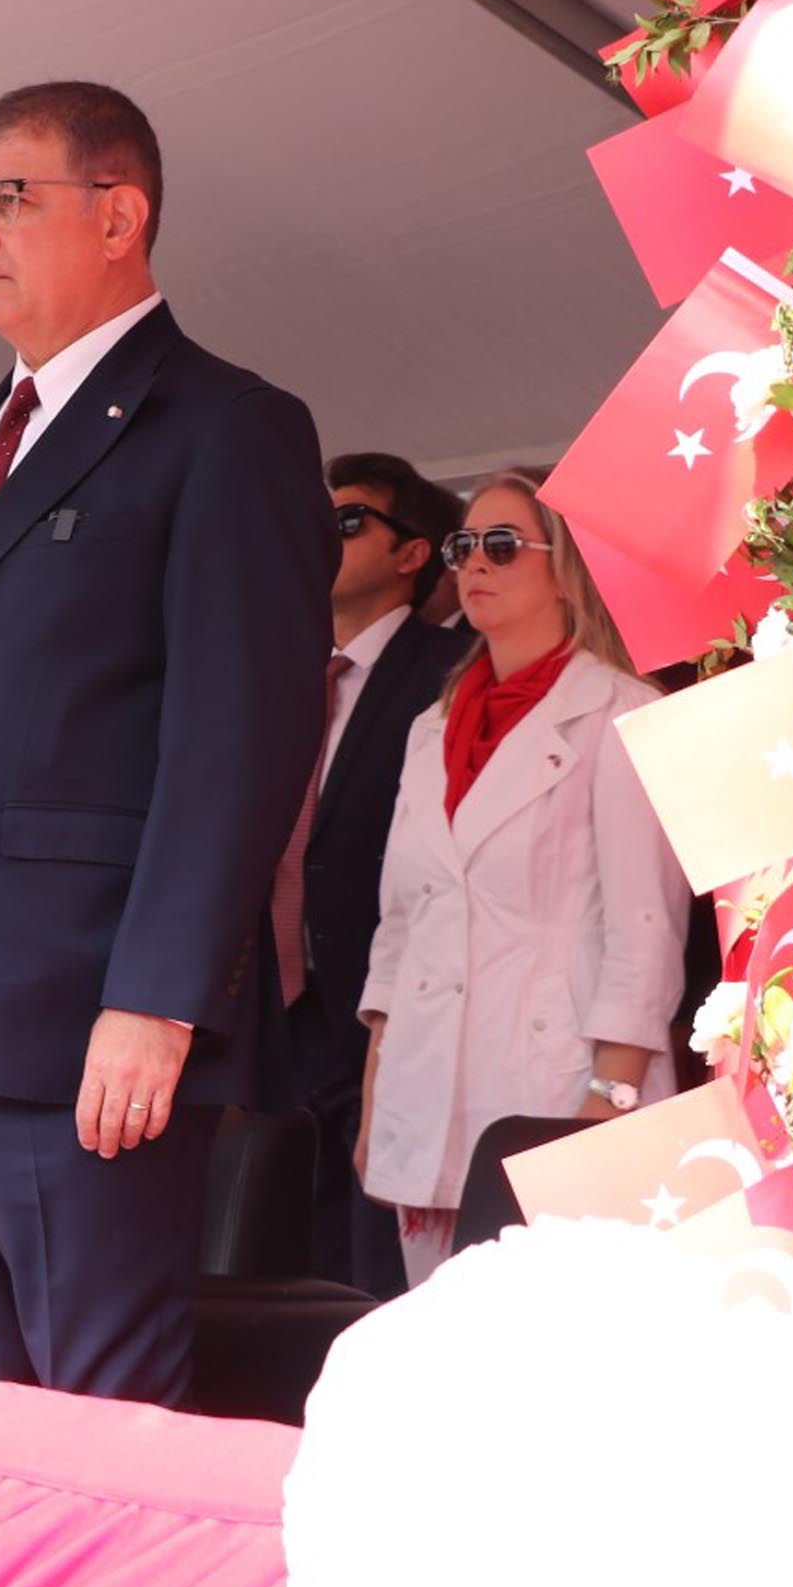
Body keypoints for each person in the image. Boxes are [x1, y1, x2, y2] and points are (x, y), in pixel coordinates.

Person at [0, 81, 333, 1403]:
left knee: (93, 1422)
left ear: (120, 216)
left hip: (80, 1032)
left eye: (12, 197)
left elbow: (241, 739)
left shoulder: (224, 427)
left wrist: (159, 998)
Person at [358, 471, 686, 1285]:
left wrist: (607, 1104)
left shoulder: (619, 711)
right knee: (434, 1336)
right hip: (424, 1095)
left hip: (560, 1089)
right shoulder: (429, 729)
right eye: (464, 546)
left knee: (549, 1334)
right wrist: (375, 1101)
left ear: (566, 571)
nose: (475, 563)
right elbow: (400, 932)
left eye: (502, 545)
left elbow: (645, 931)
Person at [270, 453, 468, 1298]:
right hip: (277, 1018)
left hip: (386, 1012)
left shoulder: (452, 670)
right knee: (271, 1268)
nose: (324, 535)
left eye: (348, 521)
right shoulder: (277, 672)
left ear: (413, 553)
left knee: (371, 1275)